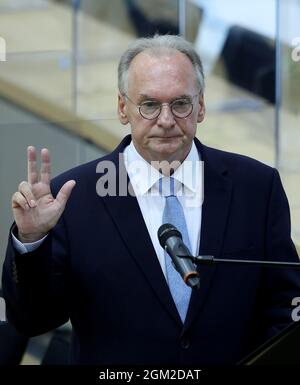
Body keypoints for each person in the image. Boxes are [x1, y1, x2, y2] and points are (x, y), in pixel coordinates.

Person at [2, 34, 300, 365]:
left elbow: (284, 308)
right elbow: (32, 320)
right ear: (122, 108)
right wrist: (32, 242)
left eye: (181, 103)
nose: (166, 120)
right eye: (149, 104)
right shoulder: (71, 199)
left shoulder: (257, 187)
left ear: (200, 106)